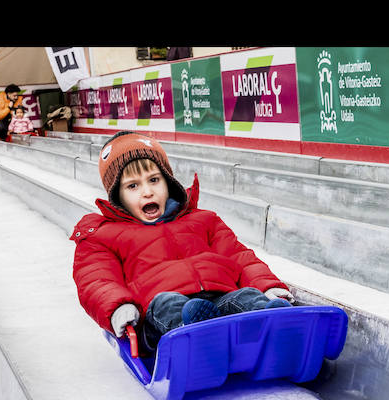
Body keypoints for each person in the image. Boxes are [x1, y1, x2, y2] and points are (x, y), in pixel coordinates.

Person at [70, 131, 294, 352]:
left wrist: (267, 285)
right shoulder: (103, 235)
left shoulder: (204, 220)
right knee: (167, 303)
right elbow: (97, 280)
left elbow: (239, 256)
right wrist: (119, 306)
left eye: (154, 180)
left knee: (246, 297)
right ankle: (198, 338)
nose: (147, 192)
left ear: (168, 182)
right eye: (133, 186)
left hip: (219, 299)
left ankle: (271, 322)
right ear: (117, 196)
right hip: (158, 316)